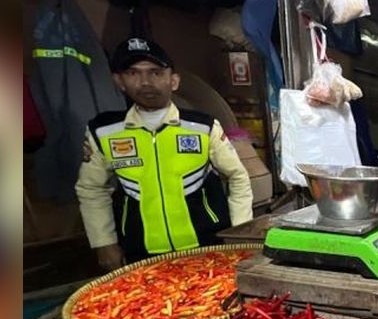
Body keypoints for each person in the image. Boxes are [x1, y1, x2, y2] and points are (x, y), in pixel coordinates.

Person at [75, 37, 253, 270]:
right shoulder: (105, 131)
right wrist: (104, 243)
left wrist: (240, 232)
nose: (145, 82)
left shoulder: (203, 127)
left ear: (174, 81)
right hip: (141, 249)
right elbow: (91, 188)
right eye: (133, 73)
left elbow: (238, 176)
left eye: (156, 73)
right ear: (119, 81)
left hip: (207, 244)